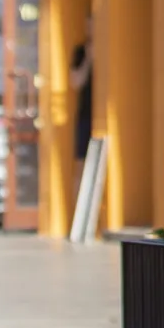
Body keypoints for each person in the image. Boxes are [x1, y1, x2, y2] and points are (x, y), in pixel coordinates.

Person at [70, 16, 93, 195]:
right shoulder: (80, 51)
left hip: (103, 116)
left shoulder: (110, 49)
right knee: (81, 163)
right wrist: (89, 60)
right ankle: (79, 211)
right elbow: (76, 81)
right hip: (85, 114)